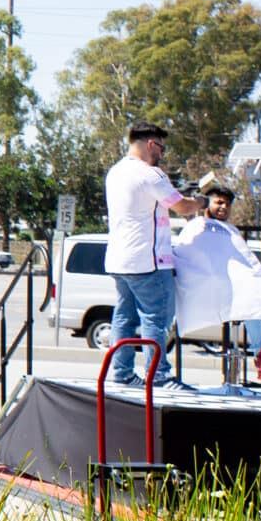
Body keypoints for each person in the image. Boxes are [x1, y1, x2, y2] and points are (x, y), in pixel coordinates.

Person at [104, 121, 203, 387]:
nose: (161, 153)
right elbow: (182, 207)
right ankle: (157, 375)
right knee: (157, 317)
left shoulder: (115, 172)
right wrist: (200, 201)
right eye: (161, 147)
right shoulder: (151, 174)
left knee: (123, 317)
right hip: (148, 262)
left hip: (118, 259)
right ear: (150, 144)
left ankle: (122, 373)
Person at [171, 184, 261, 379]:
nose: (224, 207)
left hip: (232, 285)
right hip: (204, 284)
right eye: (219, 202)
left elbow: (246, 260)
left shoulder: (231, 230)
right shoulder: (196, 227)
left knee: (256, 299)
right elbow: (184, 256)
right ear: (207, 204)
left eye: (227, 204)